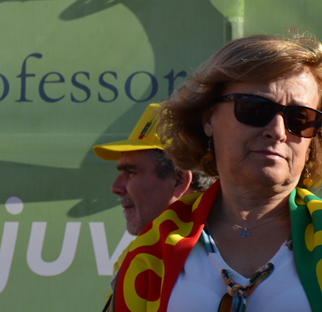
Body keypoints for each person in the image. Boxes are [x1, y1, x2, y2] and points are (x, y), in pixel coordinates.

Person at [109, 33, 322, 312]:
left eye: (299, 118)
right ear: (208, 117)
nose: (278, 131)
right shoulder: (151, 249)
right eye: (255, 108)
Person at [93, 103, 215, 236]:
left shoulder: (222, 251)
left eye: (131, 173)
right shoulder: (148, 253)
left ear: (178, 181)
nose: (115, 187)